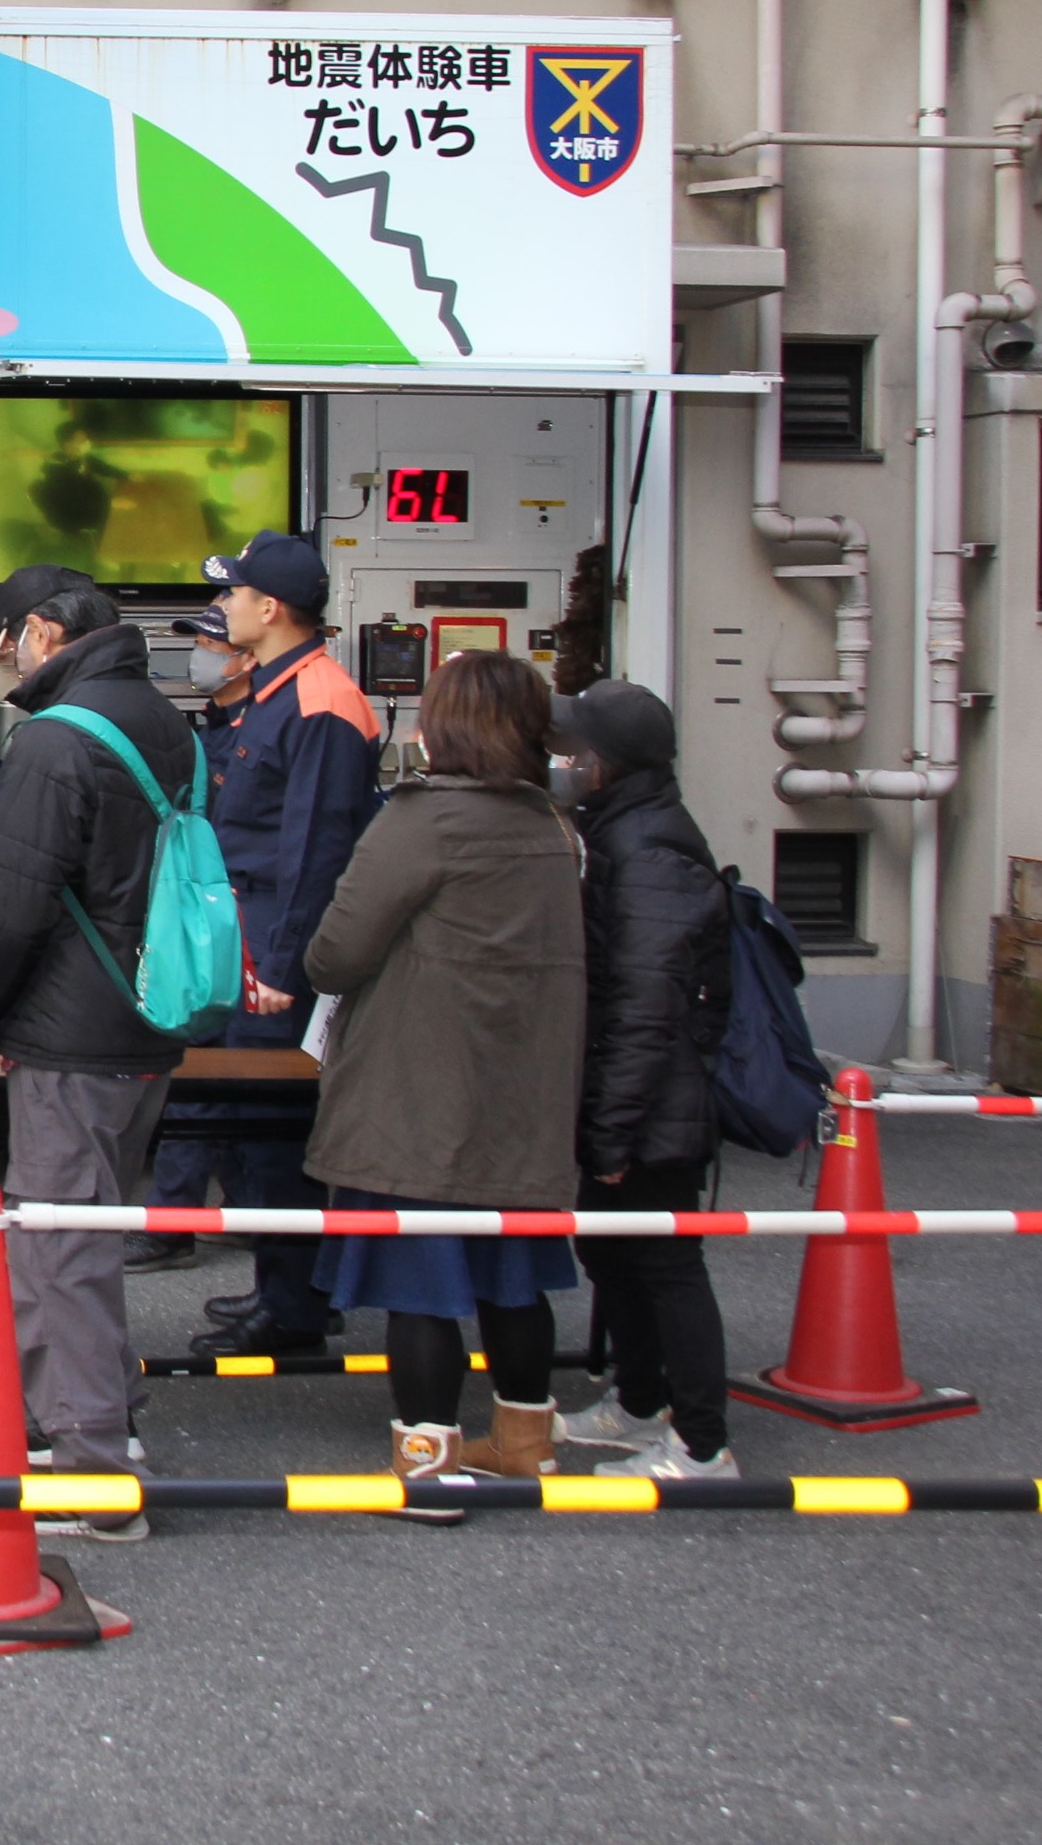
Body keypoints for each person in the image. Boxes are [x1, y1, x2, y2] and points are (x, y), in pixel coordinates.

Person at [0, 576, 192, 1541]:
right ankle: (90, 1421)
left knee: (61, 1248)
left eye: (4, 640)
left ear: (44, 632)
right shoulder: (164, 722)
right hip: (144, 1016)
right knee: (80, 1229)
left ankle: (90, 1469)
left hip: (73, 1031)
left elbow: (10, 908)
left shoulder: (55, 739)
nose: (0, 659)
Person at [300, 651, 587, 1518]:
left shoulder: (421, 822)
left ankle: (428, 1466)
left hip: (418, 1091)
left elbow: (335, 953)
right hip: (526, 1090)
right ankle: (526, 1443)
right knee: (514, 1275)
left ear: (444, 724)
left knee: (419, 1287)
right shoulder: (554, 827)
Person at [186, 530, 383, 1362]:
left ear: (270, 609)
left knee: (278, 1134)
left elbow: (315, 853)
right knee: (247, 1127)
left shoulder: (322, 703)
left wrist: (288, 969)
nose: (223, 606)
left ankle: (299, 1308)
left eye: (232, 594)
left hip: (276, 945)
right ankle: (281, 1286)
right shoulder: (276, 691)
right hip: (251, 933)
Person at [550, 679, 743, 1483]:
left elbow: (643, 1006)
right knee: (616, 1256)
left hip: (656, 1103)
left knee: (665, 1264)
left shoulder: (648, 851)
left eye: (569, 752)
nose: (560, 763)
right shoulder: (625, 828)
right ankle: (636, 1402)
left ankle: (701, 1444)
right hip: (635, 1099)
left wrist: (612, 1130)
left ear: (600, 765)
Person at [127, 601, 256, 1276]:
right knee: (218, 1078)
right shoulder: (212, 729)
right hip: (214, 922)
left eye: (211, 642)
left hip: (232, 930)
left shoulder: (259, 730)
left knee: (202, 1077)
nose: (198, 654)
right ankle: (245, 1206)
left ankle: (174, 1219)